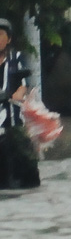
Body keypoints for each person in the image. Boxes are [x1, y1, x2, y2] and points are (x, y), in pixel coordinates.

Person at [0, 18, 38, 190]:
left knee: (25, 158)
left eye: (1, 35)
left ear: (8, 39)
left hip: (13, 122)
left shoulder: (16, 59)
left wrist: (15, 95)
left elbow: (23, 85)